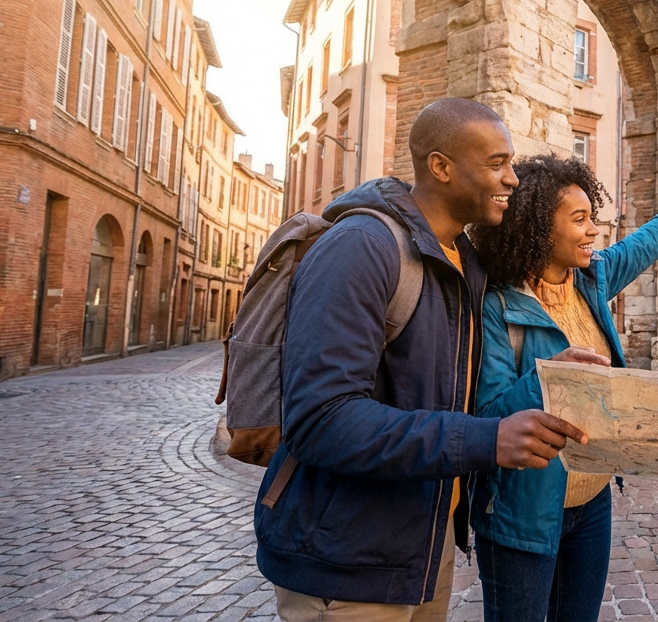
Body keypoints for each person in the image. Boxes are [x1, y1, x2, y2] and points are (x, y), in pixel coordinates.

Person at [255, 100, 599, 622]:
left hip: (421, 550)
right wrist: (487, 440)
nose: (512, 178)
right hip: (346, 564)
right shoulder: (361, 247)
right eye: (497, 164)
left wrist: (541, 378)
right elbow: (320, 419)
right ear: (440, 166)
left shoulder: (464, 261)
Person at [468, 154, 658, 622]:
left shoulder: (591, 278)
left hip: (593, 503)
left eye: (593, 217)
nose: (593, 230)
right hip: (525, 511)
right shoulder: (497, 307)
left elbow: (645, 243)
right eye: (579, 219)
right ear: (540, 228)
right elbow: (488, 417)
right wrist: (551, 377)